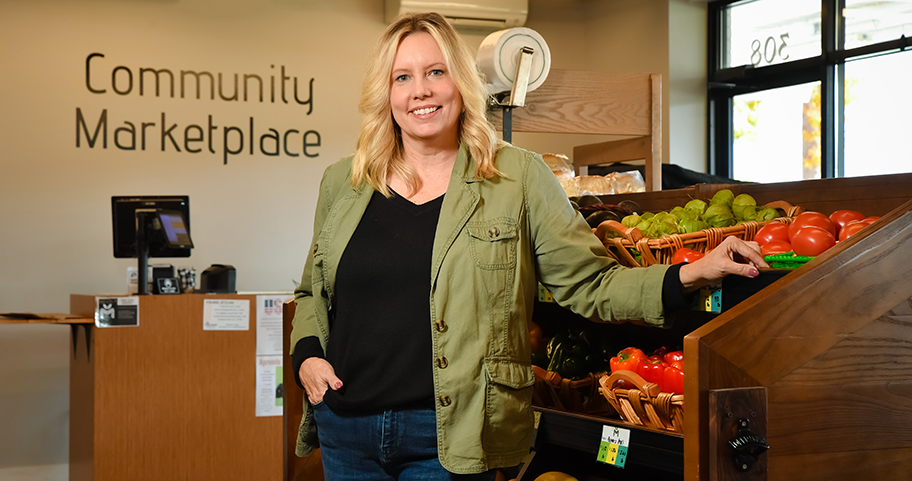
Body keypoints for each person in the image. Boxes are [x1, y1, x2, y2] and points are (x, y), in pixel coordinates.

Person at [289, 12, 767, 481]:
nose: (421, 91)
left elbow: (589, 282)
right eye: (402, 77)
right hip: (347, 427)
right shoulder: (345, 182)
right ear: (385, 92)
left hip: (453, 436)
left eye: (437, 72)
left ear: (461, 83)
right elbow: (314, 291)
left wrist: (689, 272)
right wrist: (308, 355)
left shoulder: (516, 176)